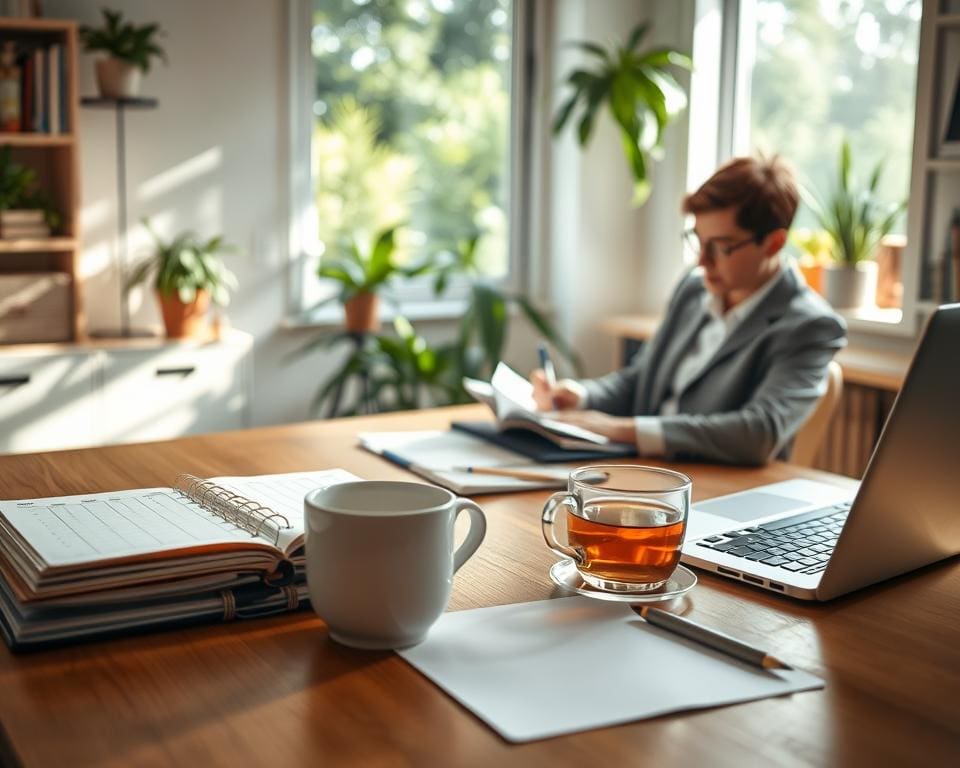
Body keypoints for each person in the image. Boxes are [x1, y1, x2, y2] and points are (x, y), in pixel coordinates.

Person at [532, 155, 847, 465]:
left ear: (774, 243)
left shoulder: (809, 326)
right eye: (698, 240)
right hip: (644, 469)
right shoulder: (694, 289)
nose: (702, 261)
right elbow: (641, 379)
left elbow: (759, 432)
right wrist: (580, 396)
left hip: (717, 486)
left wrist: (624, 430)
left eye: (721, 247)